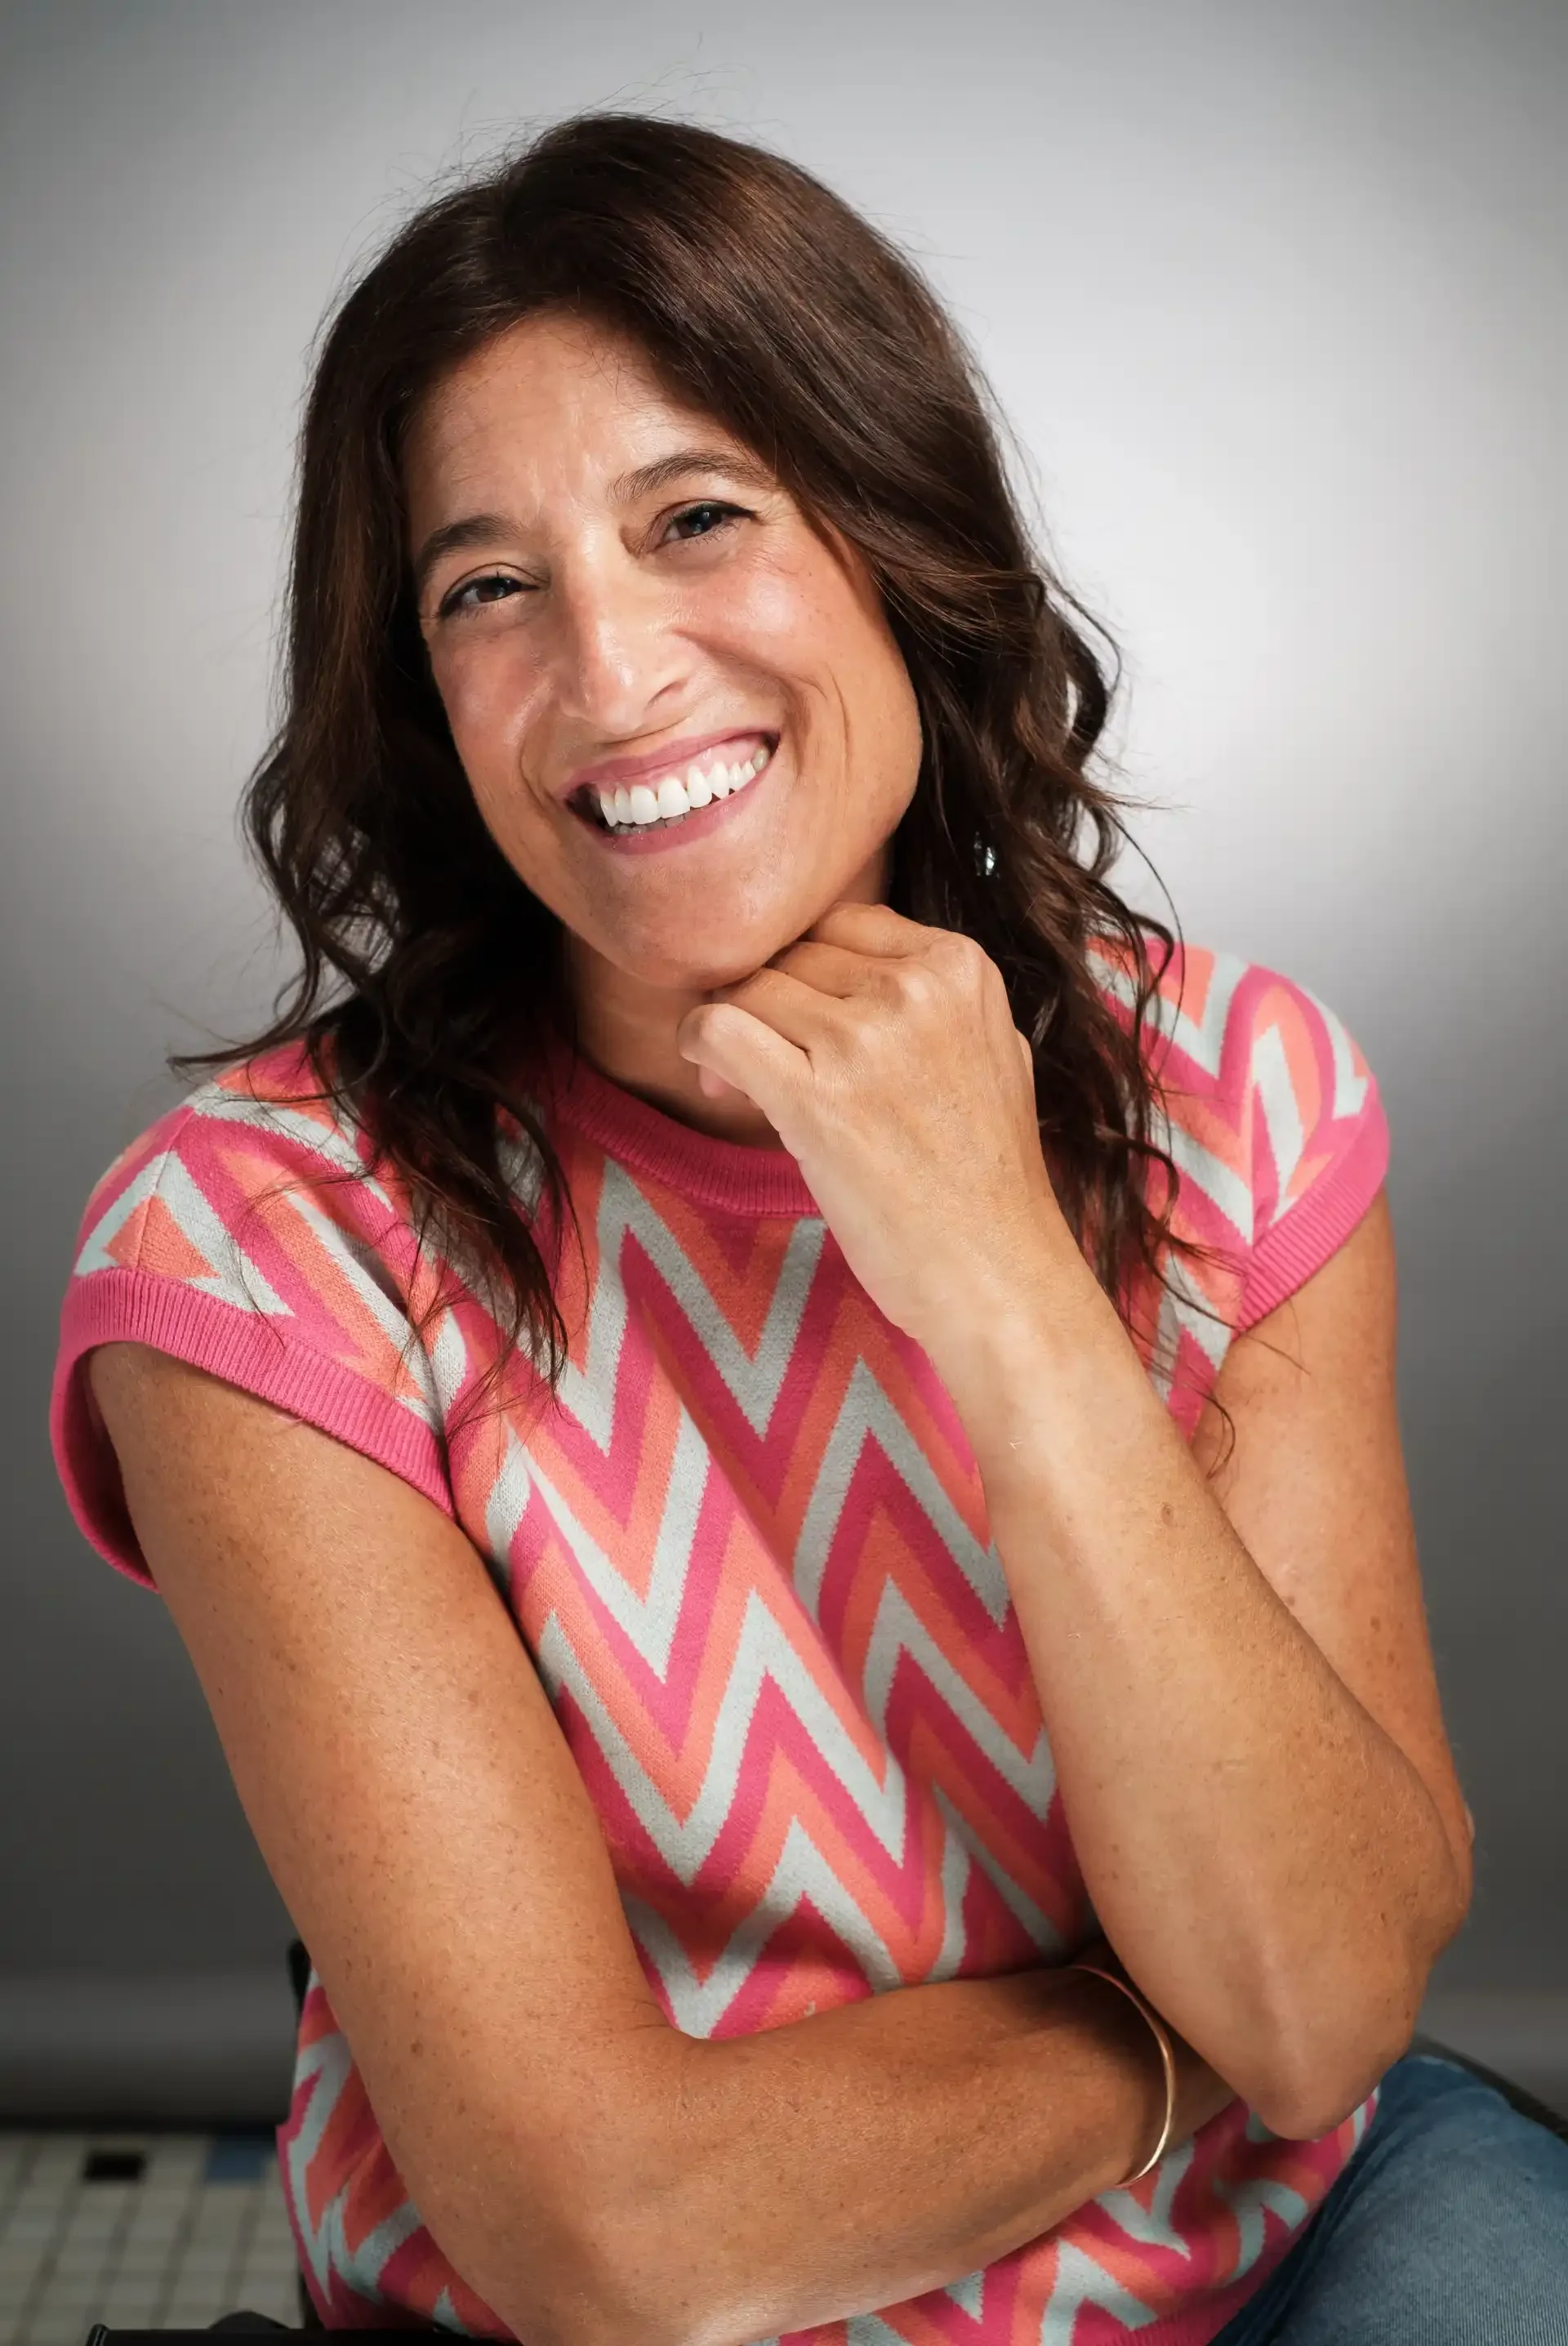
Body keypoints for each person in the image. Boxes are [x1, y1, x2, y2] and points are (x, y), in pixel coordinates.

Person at [48, 111, 1567, 2346]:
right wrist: (1179, 2038)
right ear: (422, 697)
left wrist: (1008, 1289)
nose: (613, 674)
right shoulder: (266, 1246)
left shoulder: (1236, 1089)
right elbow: (618, 2237)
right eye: (488, 587)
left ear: (894, 541)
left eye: (697, 519)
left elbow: (1333, 2008)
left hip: (1290, 2254)